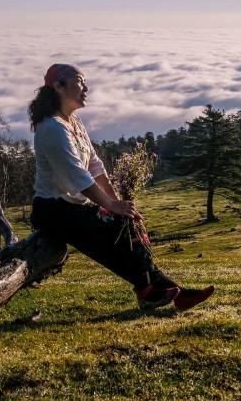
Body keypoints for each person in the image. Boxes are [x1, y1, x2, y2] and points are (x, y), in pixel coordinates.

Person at [28, 63, 214, 311]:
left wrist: (118, 204)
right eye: (80, 81)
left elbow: (95, 166)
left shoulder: (73, 123)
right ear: (59, 86)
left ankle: (162, 291)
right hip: (53, 211)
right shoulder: (52, 128)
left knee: (126, 224)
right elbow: (78, 177)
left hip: (71, 207)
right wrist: (112, 207)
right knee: (116, 231)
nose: (86, 88)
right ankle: (151, 291)